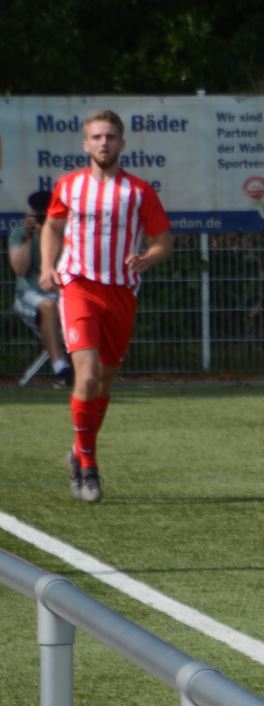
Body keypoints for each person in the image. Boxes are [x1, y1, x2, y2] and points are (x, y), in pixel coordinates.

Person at [38, 110, 173, 503]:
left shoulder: (139, 192)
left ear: (122, 143)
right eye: (96, 137)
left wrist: (150, 256)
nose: (103, 143)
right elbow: (52, 226)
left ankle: (78, 451)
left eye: (110, 137)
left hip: (120, 293)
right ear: (85, 144)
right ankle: (89, 469)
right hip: (79, 286)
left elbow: (163, 240)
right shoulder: (69, 186)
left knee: (106, 381)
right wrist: (48, 265)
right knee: (88, 375)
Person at [10, 191, 72, 387]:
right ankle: (60, 368)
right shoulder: (20, 233)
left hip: (64, 295)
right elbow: (19, 269)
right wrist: (29, 237)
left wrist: (51, 233)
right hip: (30, 295)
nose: (40, 218)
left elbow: (66, 262)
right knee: (48, 306)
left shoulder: (66, 232)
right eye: (36, 214)